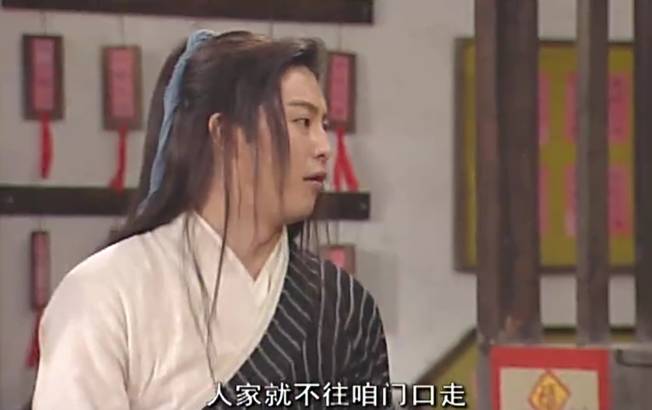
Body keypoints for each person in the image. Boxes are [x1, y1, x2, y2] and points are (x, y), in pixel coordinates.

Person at [32, 29, 391, 409]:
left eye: (324, 126)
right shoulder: (106, 294)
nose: (323, 148)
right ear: (224, 134)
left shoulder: (343, 306)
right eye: (302, 122)